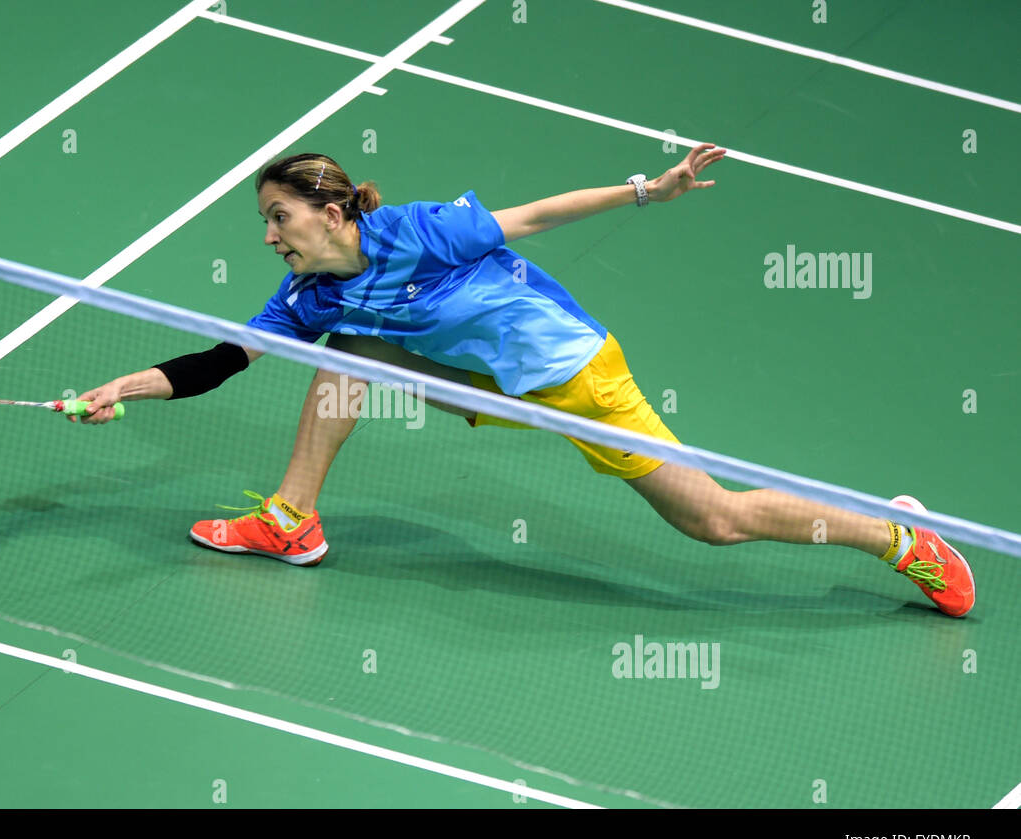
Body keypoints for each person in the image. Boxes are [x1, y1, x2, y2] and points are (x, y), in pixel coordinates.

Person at [76, 149, 974, 618]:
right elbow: (224, 359)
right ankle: (292, 519)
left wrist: (645, 192)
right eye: (266, 222)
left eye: (280, 216)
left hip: (576, 379)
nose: (271, 235)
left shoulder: (424, 232)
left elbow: (536, 215)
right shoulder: (307, 295)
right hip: (486, 386)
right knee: (347, 351)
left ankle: (898, 536)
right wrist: (127, 385)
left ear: (335, 210)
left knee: (715, 522)